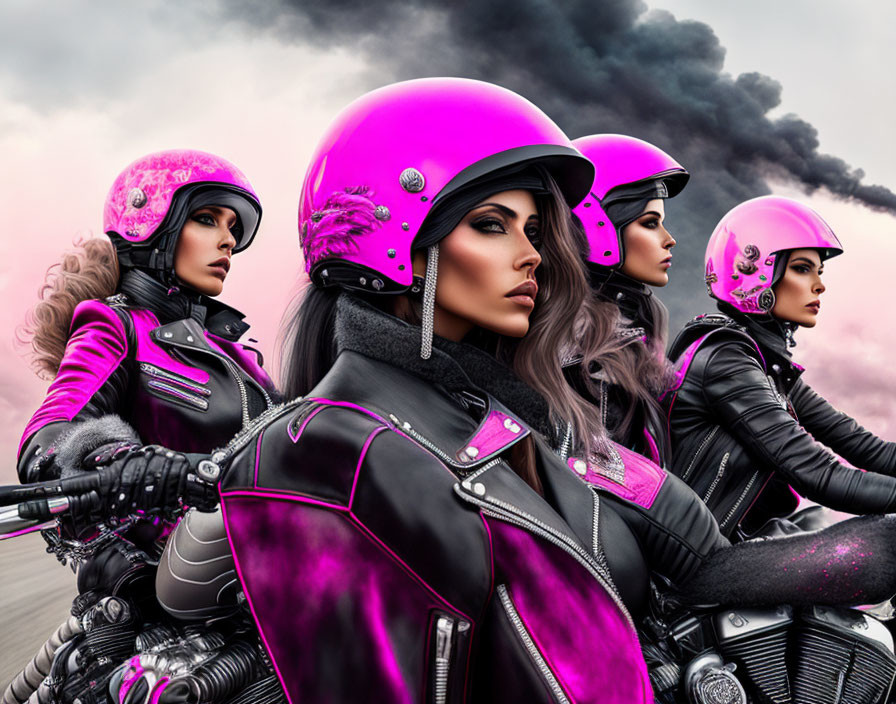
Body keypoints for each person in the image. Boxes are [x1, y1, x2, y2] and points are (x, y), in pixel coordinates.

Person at [156, 80, 896, 704]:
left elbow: (707, 560)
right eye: (490, 224)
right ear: (393, 240)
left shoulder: (518, 415)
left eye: (536, 228)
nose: (531, 254)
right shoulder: (335, 455)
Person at [7, 149, 278, 704]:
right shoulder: (115, 324)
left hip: (261, 586)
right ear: (150, 223)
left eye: (233, 228)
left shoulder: (241, 357)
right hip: (155, 604)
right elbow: (50, 441)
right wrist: (134, 464)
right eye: (207, 220)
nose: (227, 241)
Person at [664, 195, 896, 538]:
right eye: (802, 269)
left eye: (819, 271)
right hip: (698, 560)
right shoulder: (725, 359)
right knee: (883, 549)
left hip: (739, 541)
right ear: (755, 271)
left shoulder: (764, 364)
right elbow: (819, 474)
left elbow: (867, 449)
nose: (819, 285)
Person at [564, 134, 688, 466]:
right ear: (597, 226)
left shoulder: (632, 328)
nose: (669, 240)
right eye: (650, 224)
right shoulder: (583, 350)